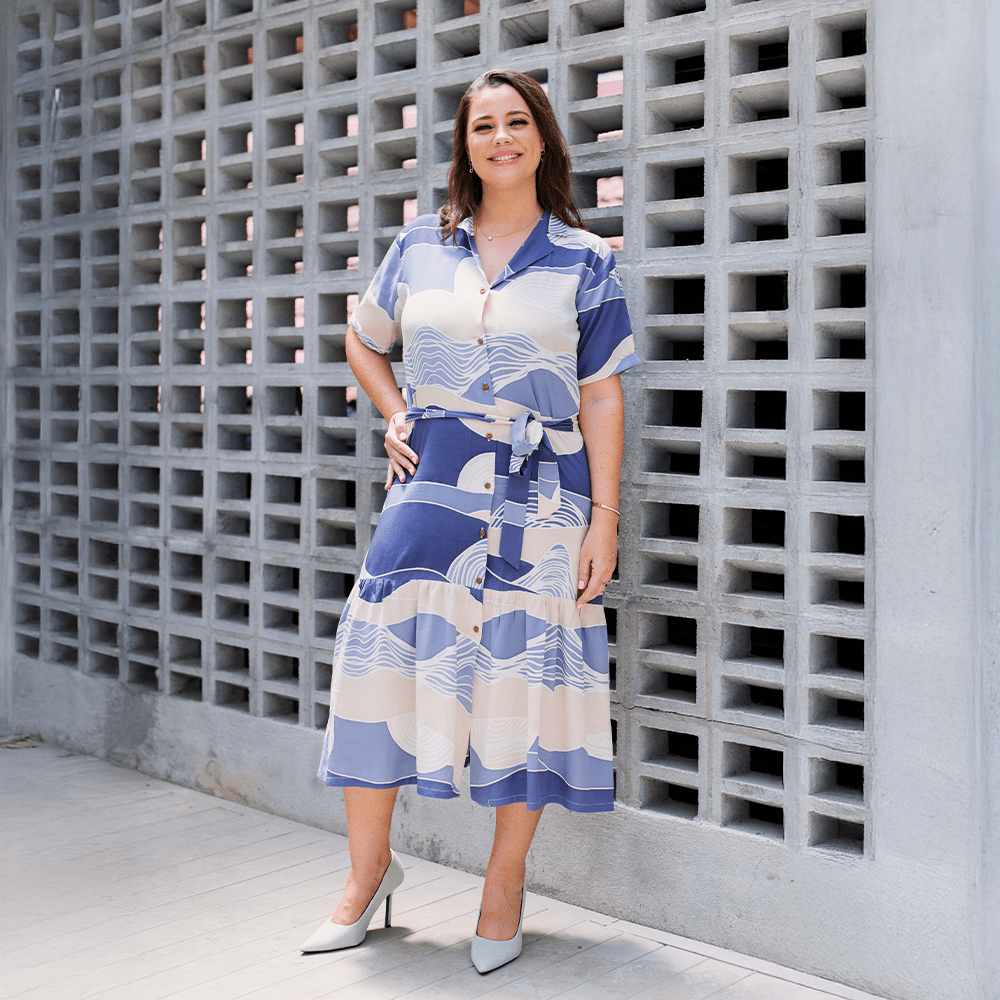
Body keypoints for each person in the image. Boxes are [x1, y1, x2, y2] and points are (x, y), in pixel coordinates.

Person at [301, 68, 639, 973]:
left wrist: (605, 516)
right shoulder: (418, 244)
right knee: (381, 667)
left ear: (541, 137)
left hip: (546, 495)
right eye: (483, 125)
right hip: (432, 488)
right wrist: (392, 411)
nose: (500, 138)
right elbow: (363, 339)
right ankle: (367, 873)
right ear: (464, 144)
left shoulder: (584, 260)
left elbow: (601, 394)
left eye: (516, 121)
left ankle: (503, 883)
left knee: (523, 680)